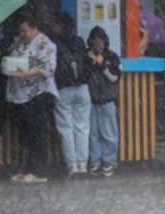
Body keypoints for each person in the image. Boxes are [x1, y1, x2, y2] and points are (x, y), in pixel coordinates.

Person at [5, 15, 59, 184]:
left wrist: (28, 73)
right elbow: (9, 57)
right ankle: (28, 168)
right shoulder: (18, 42)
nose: (22, 34)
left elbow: (49, 67)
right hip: (20, 95)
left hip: (39, 93)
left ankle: (39, 170)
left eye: (25, 31)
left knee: (38, 133)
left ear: (35, 28)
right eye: (20, 31)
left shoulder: (45, 43)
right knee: (26, 134)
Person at [50, 12, 91, 178]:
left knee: (65, 128)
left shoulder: (54, 43)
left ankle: (72, 165)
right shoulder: (79, 41)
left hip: (63, 89)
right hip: (82, 87)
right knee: (82, 127)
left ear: (60, 26)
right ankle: (83, 164)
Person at [85, 25, 121, 177]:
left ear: (105, 42)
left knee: (108, 133)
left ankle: (109, 162)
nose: (98, 46)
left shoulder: (111, 56)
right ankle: (94, 162)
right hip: (90, 100)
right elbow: (83, 76)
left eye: (101, 42)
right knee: (92, 134)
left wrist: (102, 65)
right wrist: (90, 61)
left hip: (107, 100)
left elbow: (115, 77)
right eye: (95, 42)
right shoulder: (86, 57)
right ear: (90, 43)